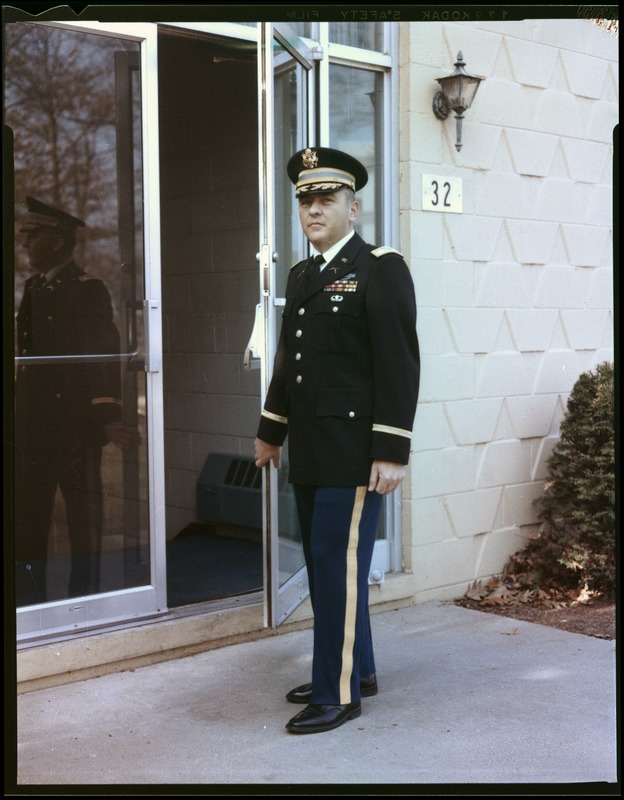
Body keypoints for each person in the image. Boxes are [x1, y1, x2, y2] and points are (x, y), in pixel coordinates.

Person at [254, 147, 420, 734]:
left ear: (353, 206)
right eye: (305, 199)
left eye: (326, 199)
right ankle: (357, 669)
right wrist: (271, 432)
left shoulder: (381, 267)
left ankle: (337, 691)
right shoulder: (305, 273)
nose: (313, 209)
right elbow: (288, 364)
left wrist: (391, 450)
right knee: (329, 566)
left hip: (354, 450)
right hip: (311, 447)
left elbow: (398, 364)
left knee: (334, 564)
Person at [14, 196, 139, 605]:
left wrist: (106, 416)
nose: (25, 244)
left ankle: (84, 602)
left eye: (32, 235)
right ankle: (29, 603)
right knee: (29, 521)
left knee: (84, 522)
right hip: (33, 426)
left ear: (56, 241)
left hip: (75, 428)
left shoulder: (88, 290)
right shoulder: (34, 288)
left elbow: (104, 354)